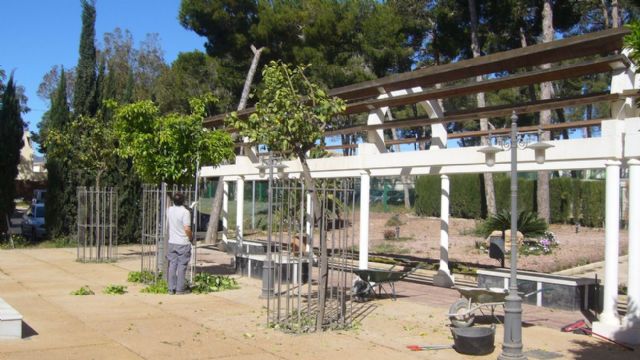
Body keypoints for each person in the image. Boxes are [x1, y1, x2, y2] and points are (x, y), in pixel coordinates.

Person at [166, 192, 193, 294]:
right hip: (183, 242)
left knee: (172, 265)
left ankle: (171, 288)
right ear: (183, 201)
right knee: (182, 266)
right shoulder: (185, 212)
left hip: (172, 241)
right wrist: (191, 237)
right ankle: (180, 289)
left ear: (173, 200)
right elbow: (187, 228)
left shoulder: (169, 210)